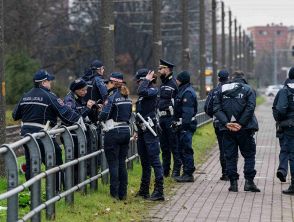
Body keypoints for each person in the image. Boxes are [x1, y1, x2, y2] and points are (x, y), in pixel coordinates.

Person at [12, 69, 81, 191]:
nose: (51, 83)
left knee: (31, 164)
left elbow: (15, 115)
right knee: (55, 160)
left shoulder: (25, 96)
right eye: (49, 81)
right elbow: (64, 113)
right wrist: (80, 119)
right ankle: (56, 192)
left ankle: (33, 194)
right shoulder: (49, 96)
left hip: (26, 137)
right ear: (43, 82)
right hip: (43, 136)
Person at [213, 71, 260, 192]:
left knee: (230, 156)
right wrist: (240, 123)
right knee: (249, 155)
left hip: (227, 129)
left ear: (232, 78)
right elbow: (250, 107)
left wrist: (226, 123)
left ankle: (233, 183)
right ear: (243, 78)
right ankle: (249, 182)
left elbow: (216, 108)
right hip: (245, 129)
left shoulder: (221, 89)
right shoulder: (248, 89)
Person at [98, 72, 132, 200]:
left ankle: (114, 194)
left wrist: (99, 112)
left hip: (113, 131)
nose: (106, 85)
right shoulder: (127, 97)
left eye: (108, 83)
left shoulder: (111, 97)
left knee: (113, 163)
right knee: (122, 162)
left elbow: (104, 115)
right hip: (125, 130)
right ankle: (123, 193)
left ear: (113, 83)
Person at [133, 68, 164, 201]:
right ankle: (144, 189)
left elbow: (141, 90)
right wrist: (136, 130)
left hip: (150, 131)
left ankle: (159, 191)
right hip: (142, 130)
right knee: (145, 161)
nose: (138, 84)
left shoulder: (153, 90)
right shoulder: (143, 95)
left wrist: (146, 80)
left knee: (155, 161)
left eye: (140, 81)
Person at [64, 78, 96, 184]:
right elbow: (75, 117)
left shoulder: (80, 99)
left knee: (82, 159)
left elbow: (85, 114)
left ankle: (79, 183)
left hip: (80, 134)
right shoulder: (69, 100)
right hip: (73, 135)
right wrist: (87, 107)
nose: (85, 92)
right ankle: (73, 184)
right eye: (82, 90)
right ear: (76, 90)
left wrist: (94, 108)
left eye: (86, 90)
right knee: (74, 161)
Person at [157, 59, 181, 178]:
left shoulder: (173, 84)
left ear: (167, 69)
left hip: (171, 118)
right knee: (164, 146)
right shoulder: (163, 85)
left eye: (161, 69)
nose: (159, 71)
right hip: (162, 119)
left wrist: (176, 119)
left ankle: (176, 170)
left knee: (174, 146)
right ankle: (165, 170)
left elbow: (178, 102)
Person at [204, 70, 230, 181]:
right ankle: (232, 172)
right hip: (232, 123)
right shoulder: (233, 90)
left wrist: (215, 116)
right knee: (232, 148)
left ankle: (225, 173)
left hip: (219, 123)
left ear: (219, 78)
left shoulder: (215, 91)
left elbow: (207, 107)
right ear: (228, 78)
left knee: (222, 148)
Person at [173, 71, 198, 182]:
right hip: (182, 125)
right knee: (182, 148)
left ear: (181, 80)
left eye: (177, 79)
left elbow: (187, 112)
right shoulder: (183, 90)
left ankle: (188, 173)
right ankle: (186, 172)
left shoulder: (187, 93)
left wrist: (183, 128)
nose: (176, 81)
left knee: (186, 149)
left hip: (186, 126)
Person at [272, 67, 294, 194]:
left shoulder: (284, 91)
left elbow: (279, 109)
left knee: (291, 154)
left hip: (289, 127)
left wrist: (280, 120)